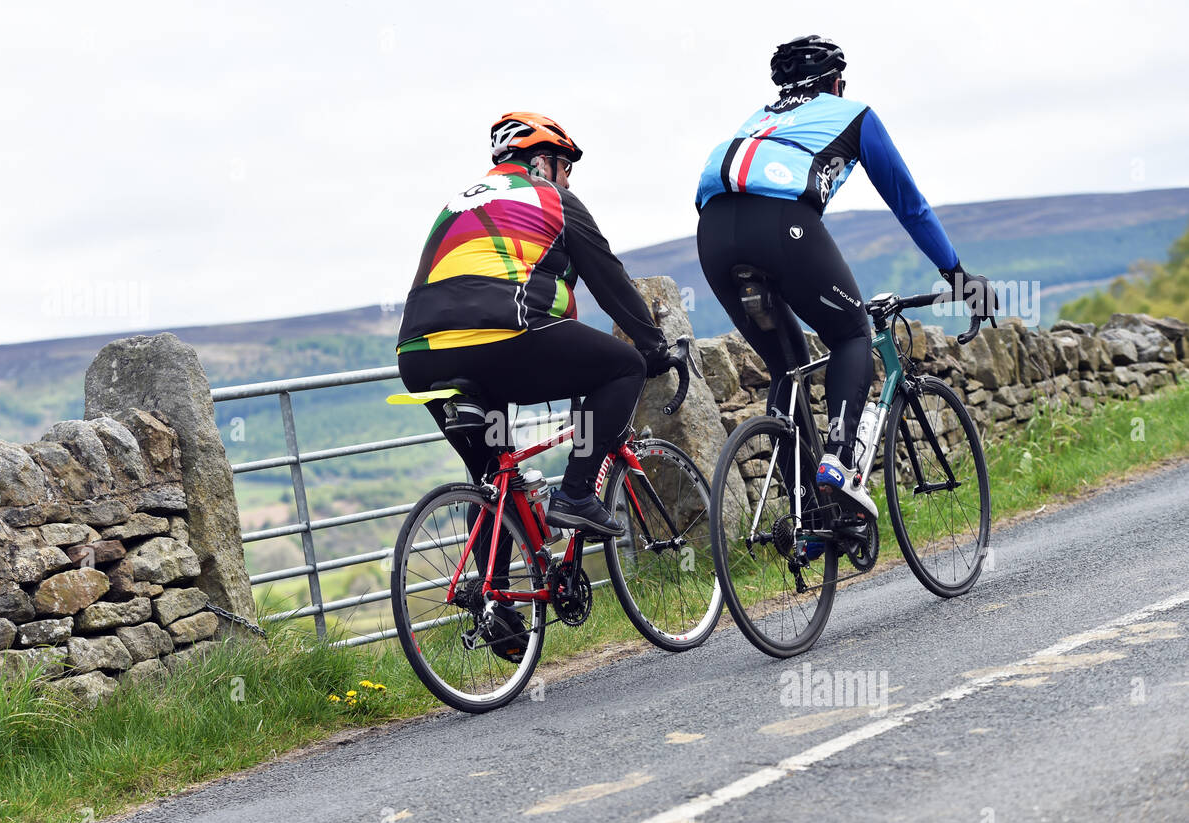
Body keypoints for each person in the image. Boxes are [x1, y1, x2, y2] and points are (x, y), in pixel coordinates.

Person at [397, 113, 672, 658]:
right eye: (565, 167)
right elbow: (609, 279)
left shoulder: (459, 202)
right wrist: (654, 347)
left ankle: (499, 607)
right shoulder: (551, 197)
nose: (568, 179)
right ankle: (575, 494)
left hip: (421, 356)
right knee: (621, 367)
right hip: (504, 340)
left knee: (490, 475)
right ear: (542, 162)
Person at [694, 35, 996, 519]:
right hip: (780, 226)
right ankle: (838, 460)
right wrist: (957, 276)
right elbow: (910, 206)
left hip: (712, 236)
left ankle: (809, 515)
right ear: (836, 83)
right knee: (853, 334)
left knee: (787, 370)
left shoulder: (759, 121)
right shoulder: (854, 114)